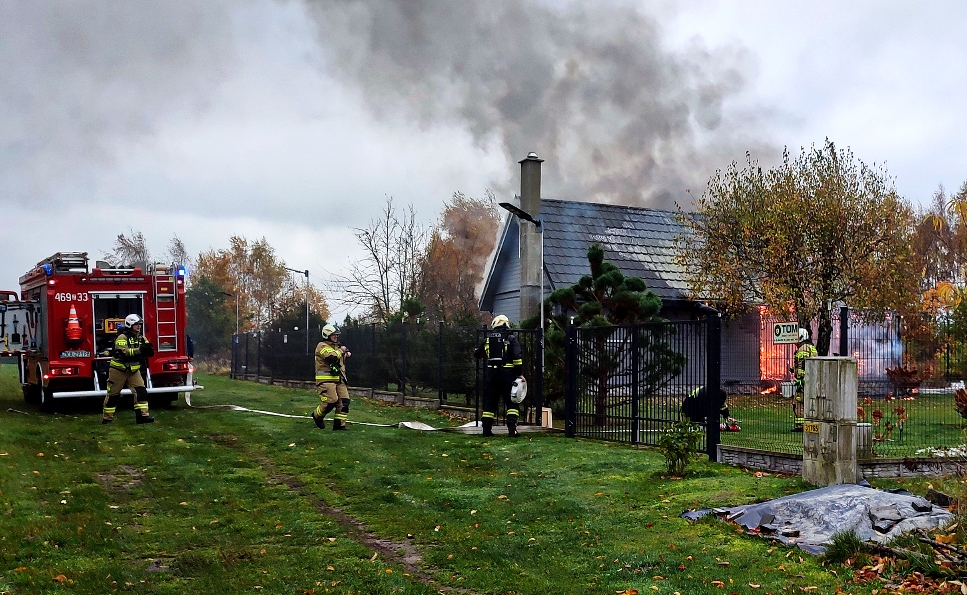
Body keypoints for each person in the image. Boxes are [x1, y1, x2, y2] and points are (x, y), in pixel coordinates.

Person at [474, 314, 525, 437]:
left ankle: (486, 430)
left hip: (492, 374)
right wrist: (519, 374)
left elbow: (477, 354)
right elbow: (517, 357)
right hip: (508, 375)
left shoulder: (487, 339)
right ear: (506, 324)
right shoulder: (511, 338)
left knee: (490, 401)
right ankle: (512, 430)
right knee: (512, 402)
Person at [102, 314, 155, 425]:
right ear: (130, 324)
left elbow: (148, 349)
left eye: (140, 324)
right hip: (118, 370)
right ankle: (107, 418)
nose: (139, 326)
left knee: (141, 392)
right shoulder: (122, 337)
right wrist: (140, 350)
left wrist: (149, 350)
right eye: (136, 324)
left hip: (133, 371)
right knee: (113, 395)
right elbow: (125, 353)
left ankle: (142, 417)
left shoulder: (140, 337)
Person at [313, 323, 351, 431]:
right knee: (331, 401)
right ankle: (317, 416)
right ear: (327, 335)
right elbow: (332, 357)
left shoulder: (336, 347)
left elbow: (338, 358)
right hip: (326, 380)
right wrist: (341, 351)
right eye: (334, 335)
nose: (336, 337)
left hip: (339, 379)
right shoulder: (322, 346)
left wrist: (345, 353)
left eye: (337, 335)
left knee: (344, 402)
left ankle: (339, 425)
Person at [791, 328, 817, 432]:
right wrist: (794, 368)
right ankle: (809, 423)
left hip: (804, 381)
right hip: (812, 380)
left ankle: (800, 425)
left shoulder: (802, 349)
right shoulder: (811, 347)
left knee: (798, 402)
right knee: (809, 402)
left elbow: (803, 364)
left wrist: (800, 379)